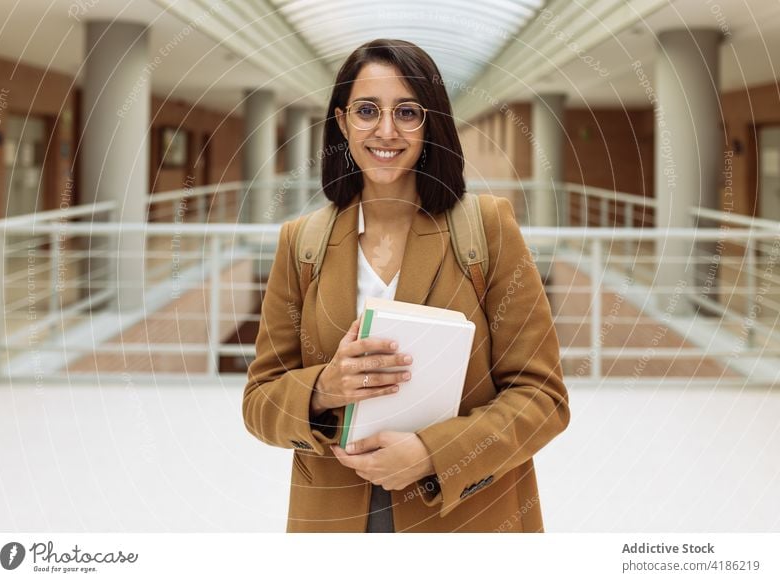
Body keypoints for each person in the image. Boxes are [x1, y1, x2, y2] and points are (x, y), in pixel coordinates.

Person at [242, 38, 570, 533]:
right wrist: (322, 389)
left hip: (463, 518)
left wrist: (432, 455)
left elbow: (543, 397)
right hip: (333, 518)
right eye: (367, 110)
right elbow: (259, 402)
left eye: (407, 112)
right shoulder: (301, 242)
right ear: (341, 122)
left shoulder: (488, 228)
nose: (386, 130)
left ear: (431, 123)